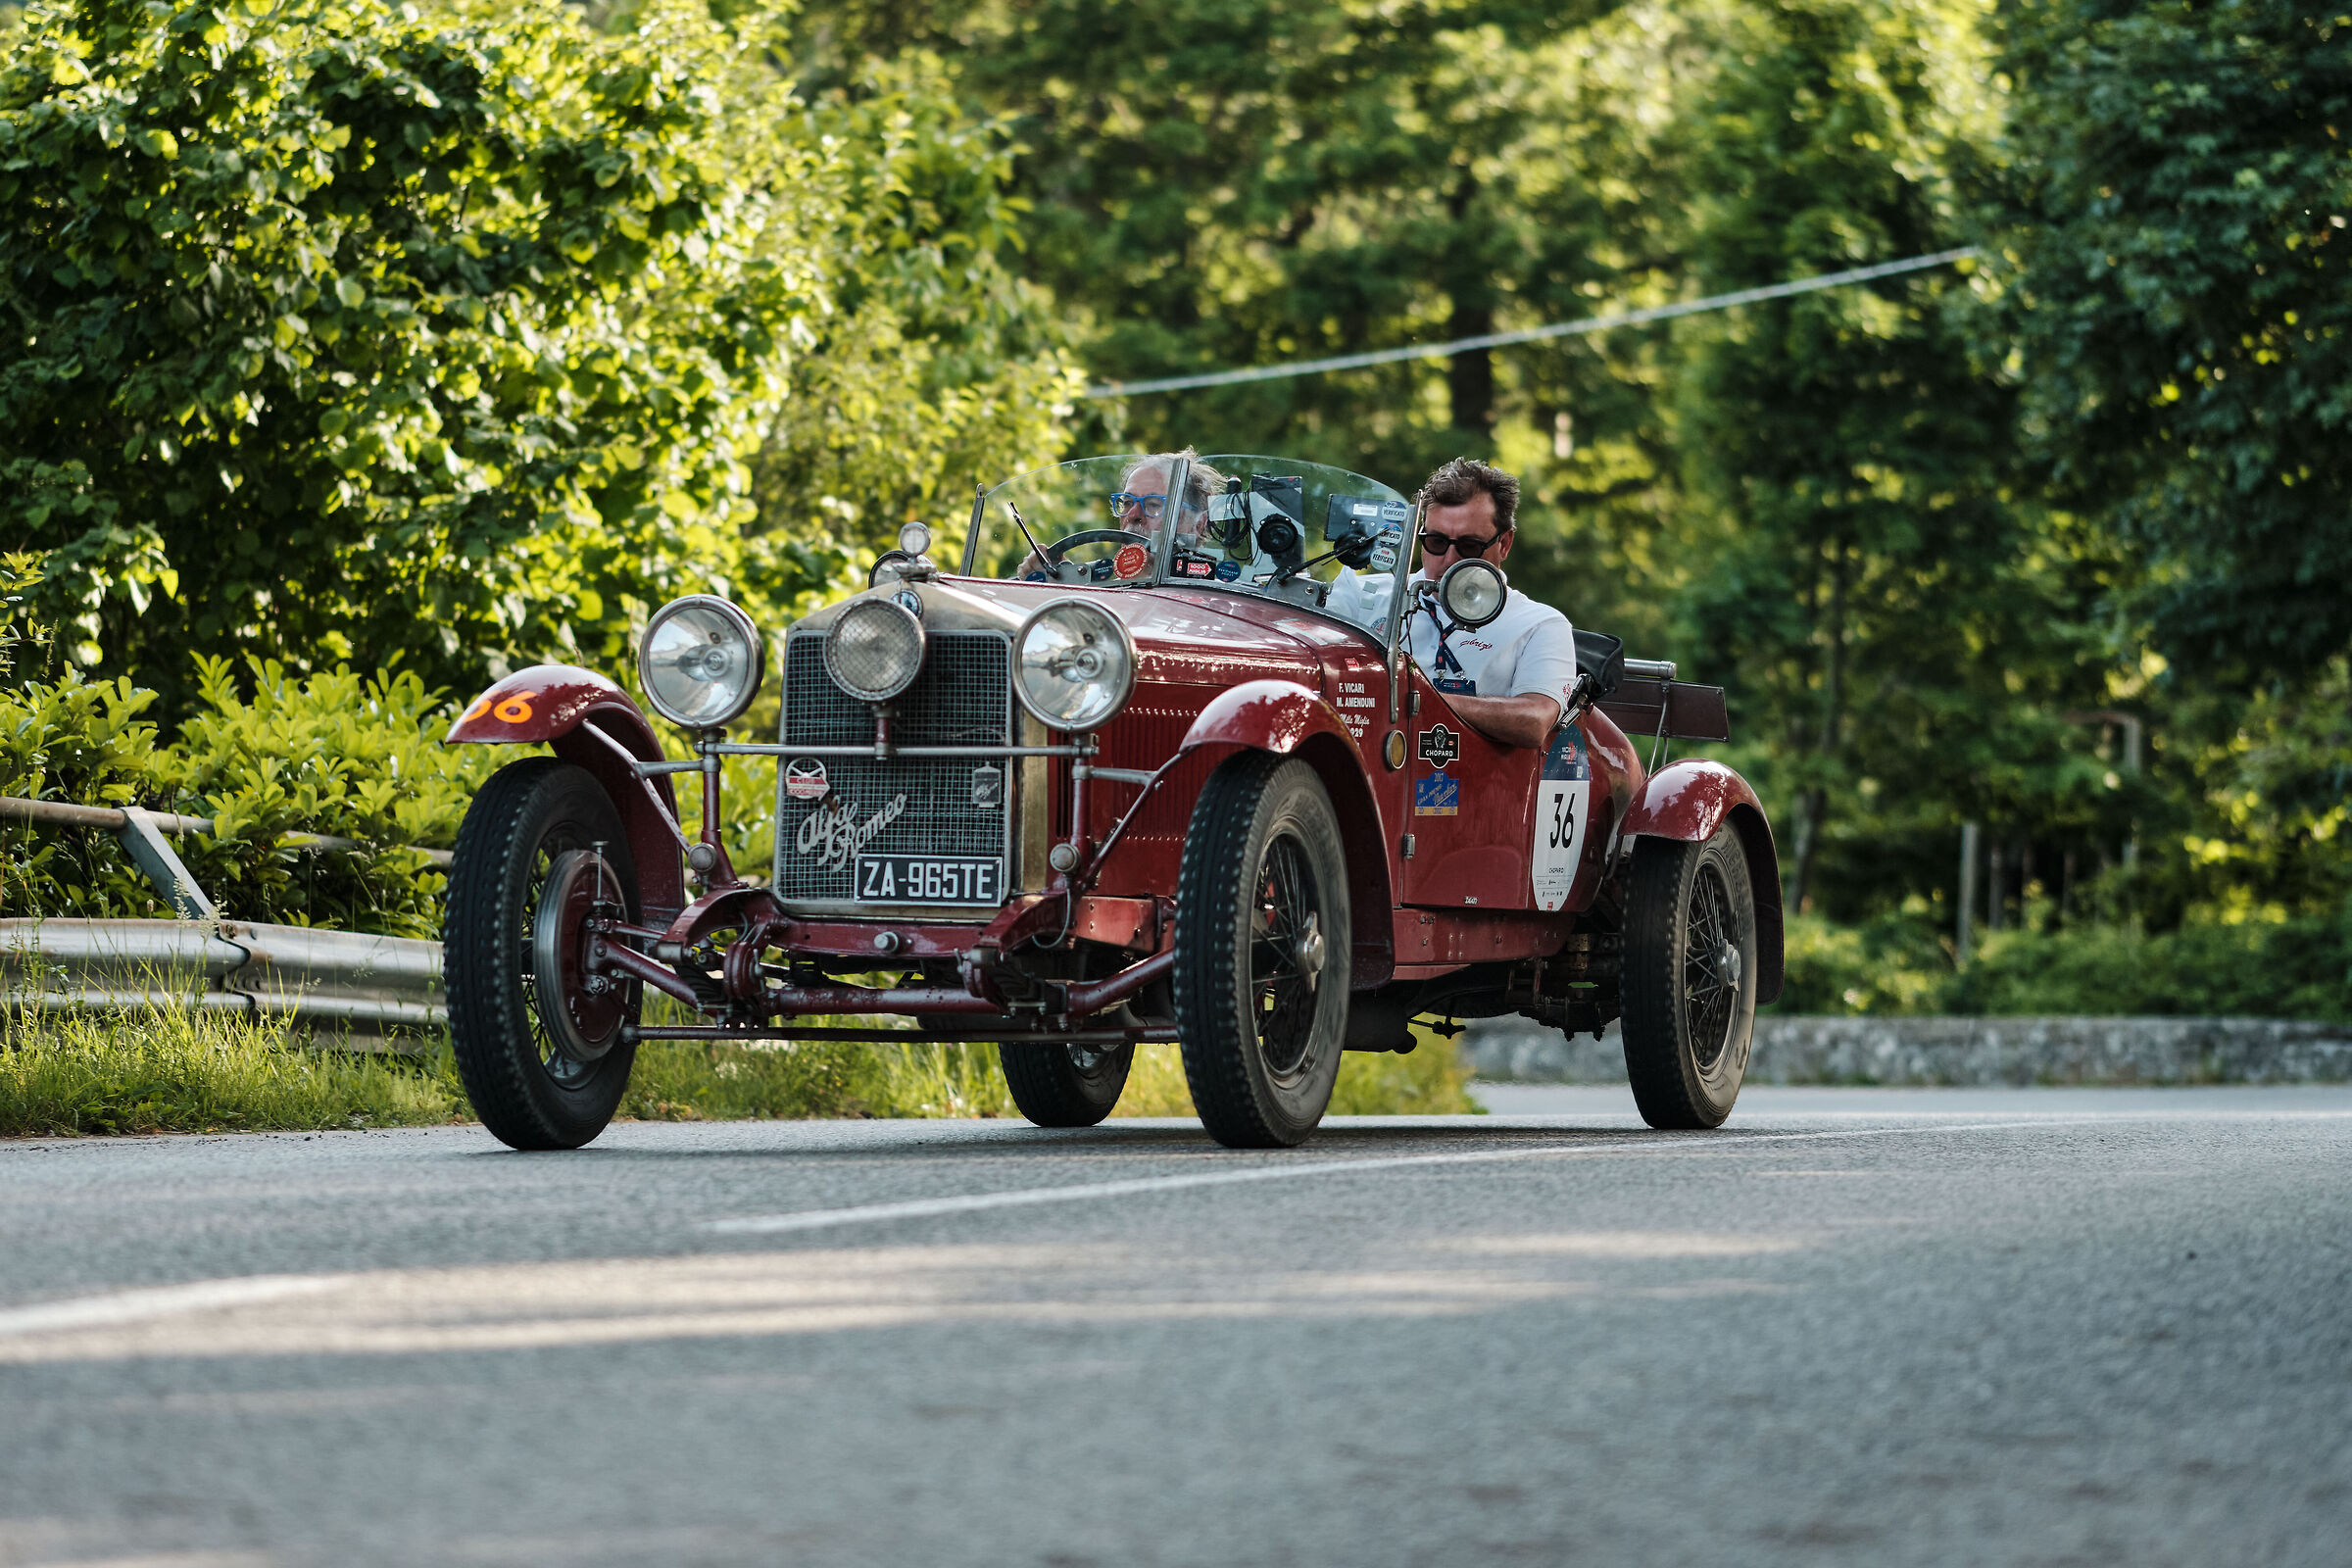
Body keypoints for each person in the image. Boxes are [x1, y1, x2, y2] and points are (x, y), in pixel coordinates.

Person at [1406, 458, 1578, 750]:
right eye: (1435, 542)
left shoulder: (1540, 624)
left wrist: (1413, 700)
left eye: (1469, 546)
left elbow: (1534, 719)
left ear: (1505, 544)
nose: (1448, 561)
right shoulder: (1371, 596)